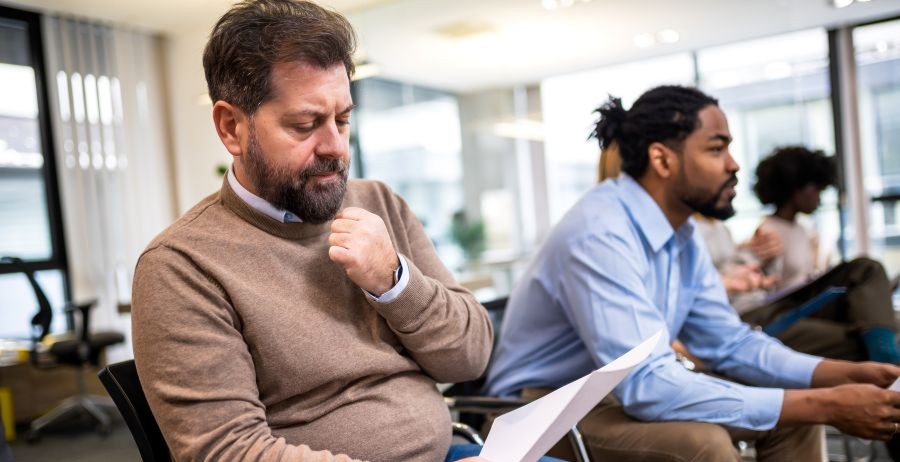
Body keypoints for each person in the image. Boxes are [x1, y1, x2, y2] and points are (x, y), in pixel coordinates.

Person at [130, 1, 495, 460]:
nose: (336, 147)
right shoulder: (180, 267)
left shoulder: (379, 203)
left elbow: (471, 356)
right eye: (306, 125)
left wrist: (395, 281)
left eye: (342, 119)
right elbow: (228, 452)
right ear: (231, 128)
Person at [485, 85, 900, 461]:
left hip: (605, 397)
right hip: (533, 412)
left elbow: (729, 342)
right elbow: (645, 384)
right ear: (662, 159)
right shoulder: (599, 232)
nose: (734, 165)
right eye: (717, 149)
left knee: (792, 418)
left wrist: (835, 374)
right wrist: (824, 403)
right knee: (702, 445)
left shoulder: (681, 233)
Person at [746, 146, 900, 363]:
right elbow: (762, 287)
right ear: (795, 189)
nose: (819, 197)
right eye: (815, 189)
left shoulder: (803, 229)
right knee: (867, 272)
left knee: (890, 322)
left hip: (811, 305)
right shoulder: (769, 231)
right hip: (787, 311)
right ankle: (887, 363)